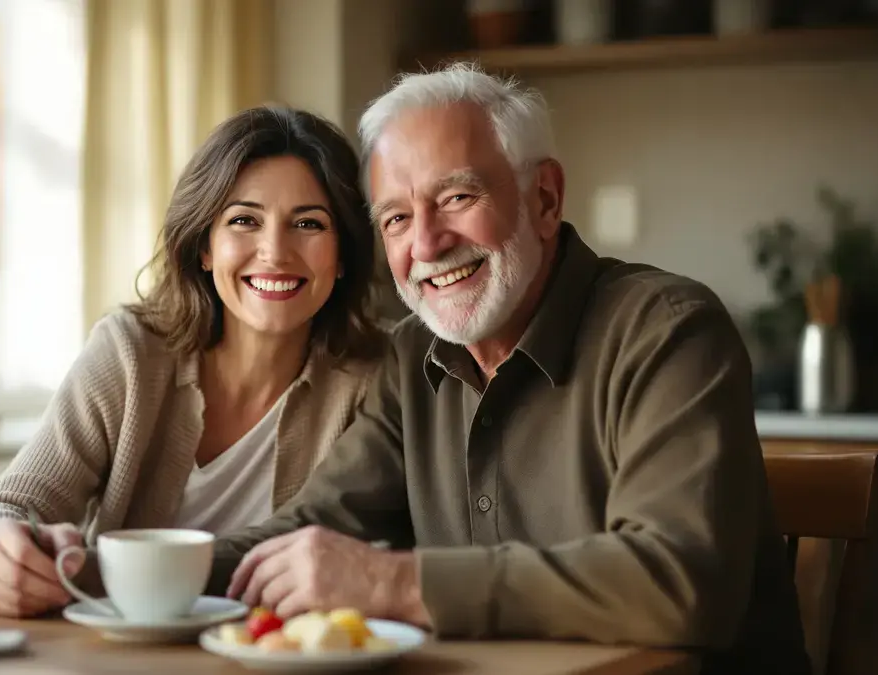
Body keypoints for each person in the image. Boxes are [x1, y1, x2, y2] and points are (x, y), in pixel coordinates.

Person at [184, 64, 808, 673]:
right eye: (397, 218)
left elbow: (681, 583)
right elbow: (301, 535)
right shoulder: (409, 359)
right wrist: (107, 571)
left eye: (456, 197)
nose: (425, 245)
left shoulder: (667, 331)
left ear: (544, 198)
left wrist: (397, 582)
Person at [0, 105, 386, 619]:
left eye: (308, 223)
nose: (275, 252)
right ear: (204, 247)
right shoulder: (131, 354)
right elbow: (1, 510)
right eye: (244, 220)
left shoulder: (374, 381)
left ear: (344, 255)